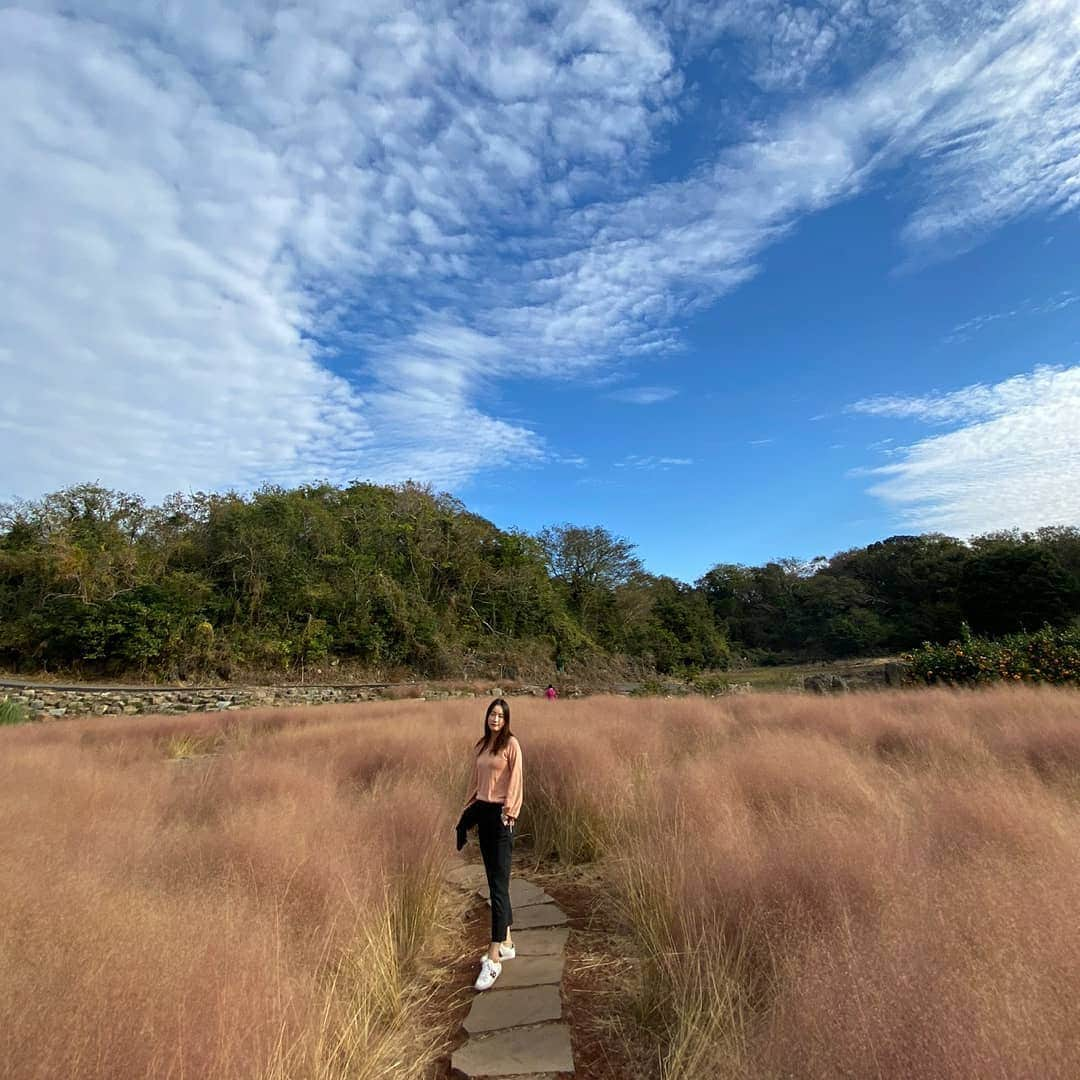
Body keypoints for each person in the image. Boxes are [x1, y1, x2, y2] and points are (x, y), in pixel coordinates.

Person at [456, 697, 523, 991]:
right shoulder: (482, 746)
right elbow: (476, 782)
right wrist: (466, 813)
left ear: (506, 719)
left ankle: (494, 956)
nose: (495, 719)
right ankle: (506, 941)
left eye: (500, 715)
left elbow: (516, 782)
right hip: (483, 812)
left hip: (500, 816)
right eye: (491, 714)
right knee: (495, 881)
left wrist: (510, 813)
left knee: (498, 887)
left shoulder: (512, 745)